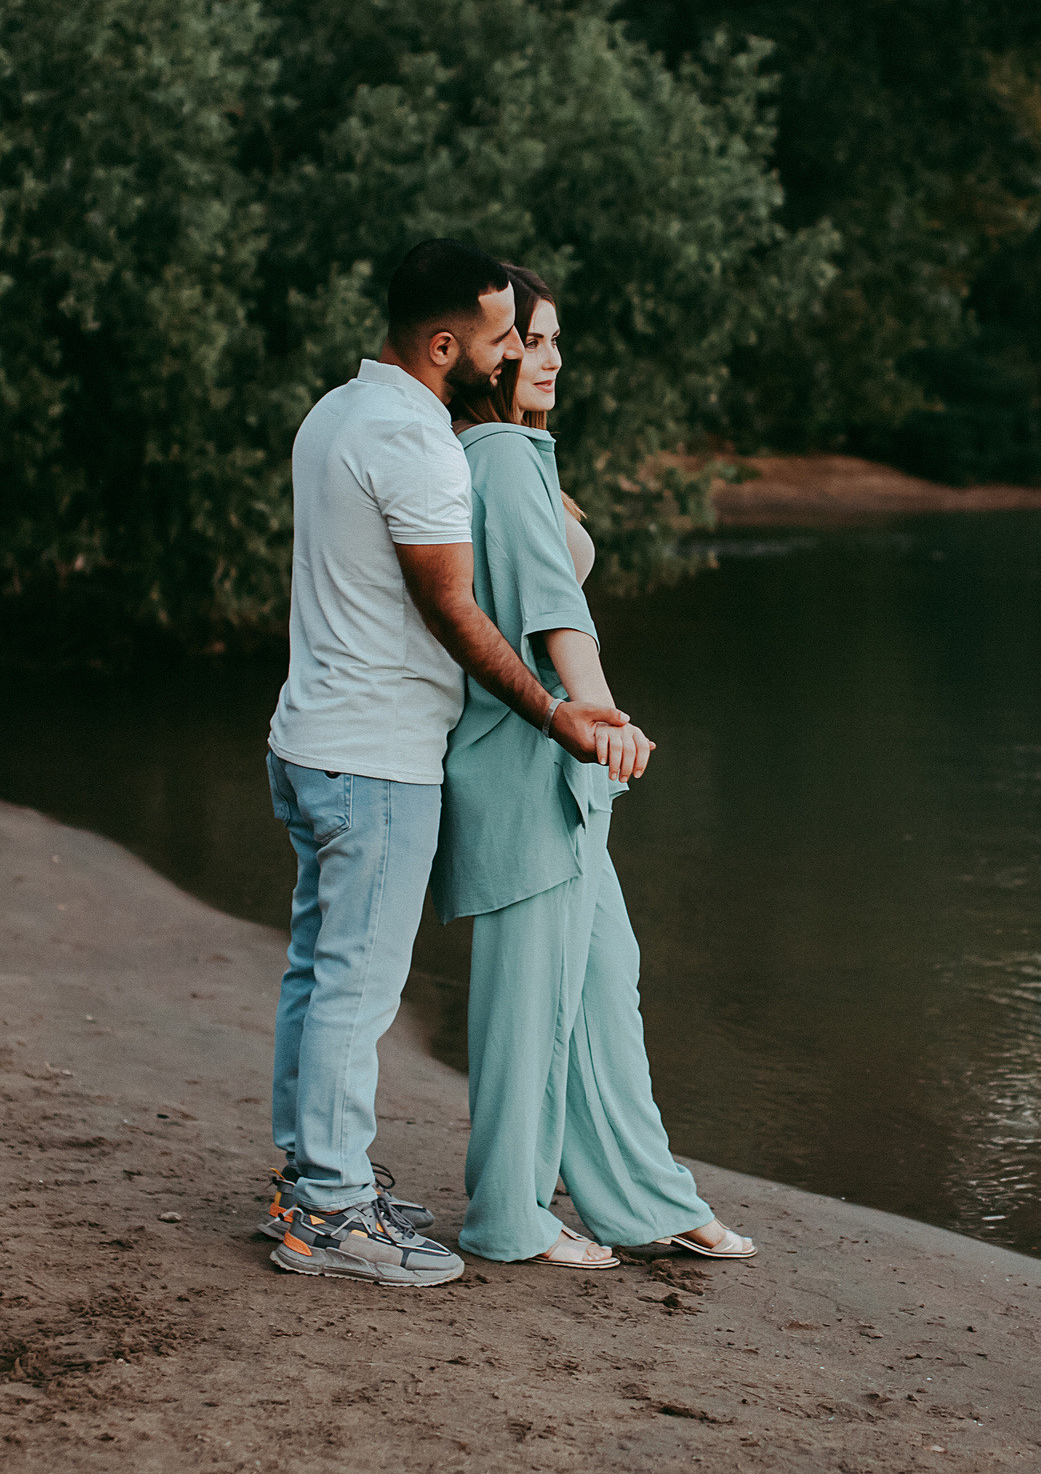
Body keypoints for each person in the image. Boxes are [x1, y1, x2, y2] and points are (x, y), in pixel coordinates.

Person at [263, 238, 634, 1287]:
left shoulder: (337, 411)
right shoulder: (420, 446)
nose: (513, 352)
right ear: (443, 345)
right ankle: (330, 1213)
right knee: (355, 986)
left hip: (307, 742)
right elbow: (458, 615)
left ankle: (311, 1180)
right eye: (499, 337)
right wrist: (561, 715)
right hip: (374, 760)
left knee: (316, 972)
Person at [434, 263, 756, 1268]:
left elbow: (547, 573)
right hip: (527, 762)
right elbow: (551, 610)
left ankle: (643, 1199)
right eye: (537, 342)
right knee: (529, 1007)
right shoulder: (496, 457)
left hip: (552, 776)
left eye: (557, 342)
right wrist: (603, 714)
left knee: (604, 982)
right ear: (493, 354)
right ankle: (508, 1218)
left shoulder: (509, 454)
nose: (554, 359)